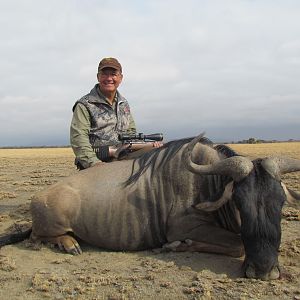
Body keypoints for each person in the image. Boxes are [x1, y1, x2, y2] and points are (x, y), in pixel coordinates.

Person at [70, 57, 160, 170]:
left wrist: (150, 146)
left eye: (113, 74)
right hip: (97, 162)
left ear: (121, 78)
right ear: (98, 77)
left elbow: (131, 133)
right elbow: (79, 139)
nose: (109, 78)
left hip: (123, 158)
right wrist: (95, 164)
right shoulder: (84, 104)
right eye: (104, 74)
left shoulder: (124, 104)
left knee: (159, 155)